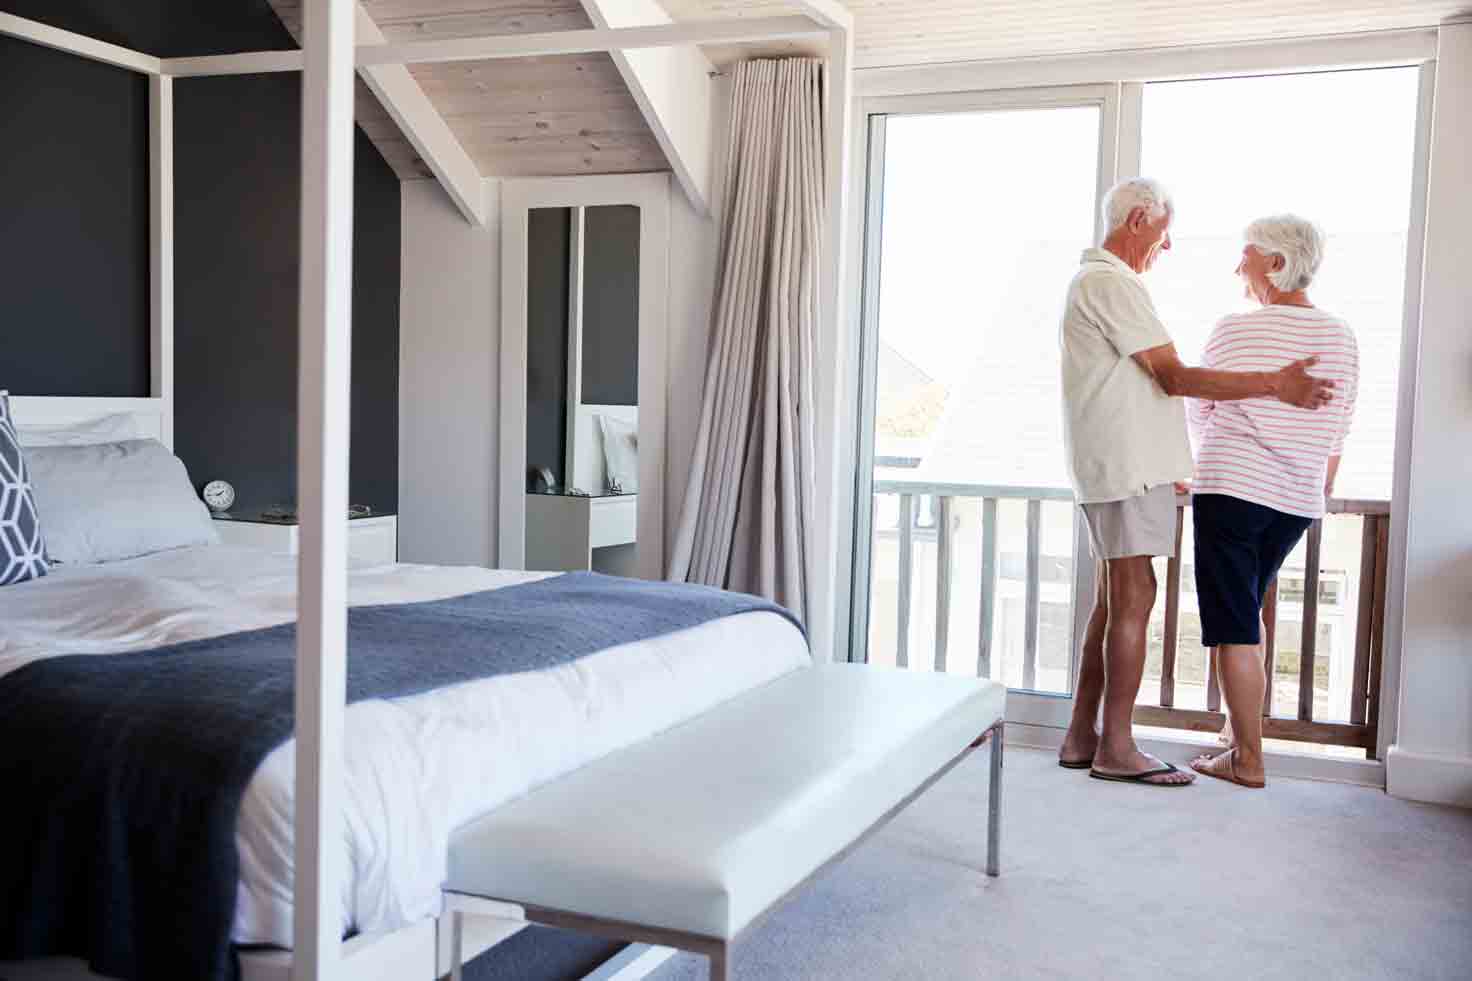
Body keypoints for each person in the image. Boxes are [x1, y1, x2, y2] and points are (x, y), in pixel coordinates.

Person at [1057, 178, 1334, 787]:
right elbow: (1174, 378)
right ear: (1137, 220)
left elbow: (1145, 387)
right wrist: (1274, 384)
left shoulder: (1108, 285)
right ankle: (1118, 748)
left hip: (1131, 465)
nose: (1169, 245)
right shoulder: (1109, 283)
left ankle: (1083, 736)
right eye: (1163, 231)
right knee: (1135, 598)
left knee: (1114, 601)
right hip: (1127, 467)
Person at [1187, 215, 1359, 788]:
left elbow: (1200, 406)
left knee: (1233, 622)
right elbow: (1339, 428)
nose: (1239, 266)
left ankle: (1247, 760)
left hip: (1232, 489)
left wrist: (1199, 466)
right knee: (1247, 611)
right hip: (1294, 501)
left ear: (1277, 265)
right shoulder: (1341, 336)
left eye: (1248, 256)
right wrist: (1314, 482)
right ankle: (1237, 736)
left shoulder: (1236, 329)